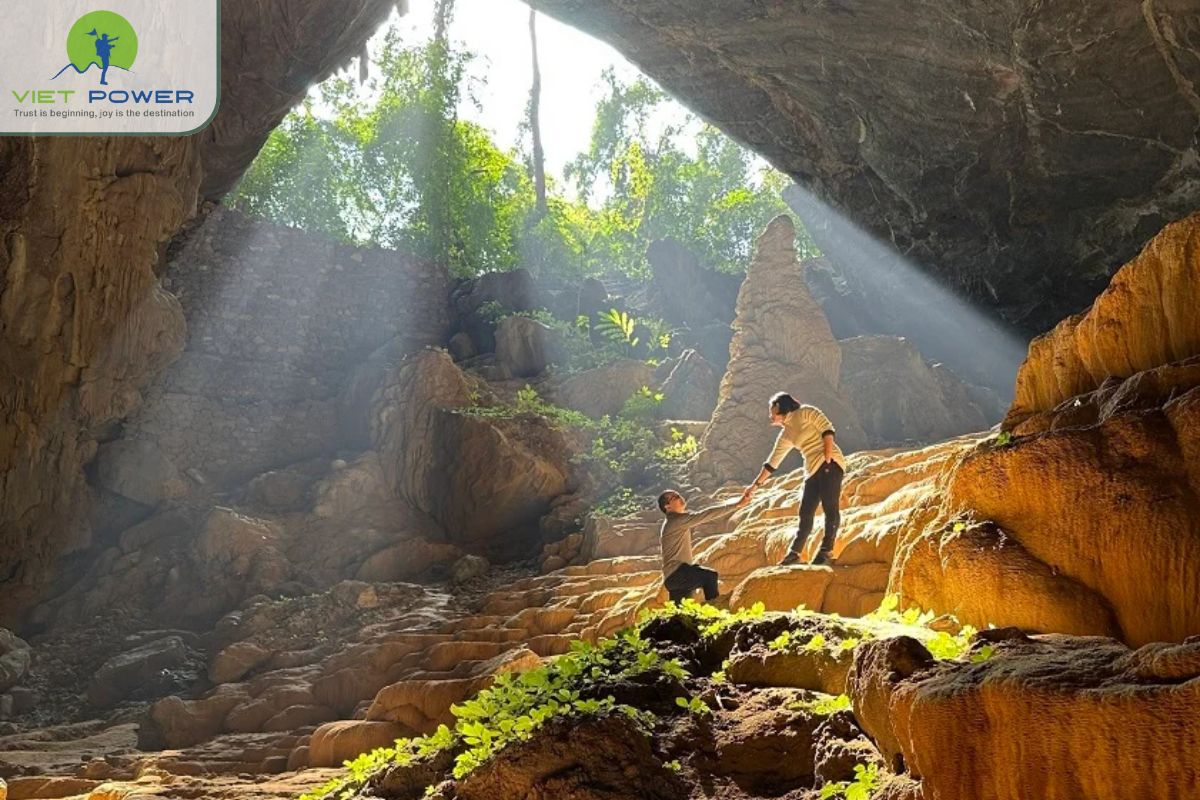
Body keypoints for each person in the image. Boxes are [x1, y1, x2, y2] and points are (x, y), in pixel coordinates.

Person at [744, 392, 846, 566]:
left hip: (830, 463)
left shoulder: (806, 412)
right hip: (812, 470)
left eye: (772, 410)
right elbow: (772, 462)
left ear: (780, 407)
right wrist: (754, 487)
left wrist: (828, 458)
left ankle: (826, 551)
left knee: (830, 507)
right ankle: (794, 553)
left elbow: (827, 430)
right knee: (805, 512)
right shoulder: (786, 434)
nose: (770, 415)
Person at [657, 489, 748, 603]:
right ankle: (715, 610)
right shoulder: (676, 520)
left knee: (681, 615)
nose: (679, 497)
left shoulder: (672, 521)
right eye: (674, 497)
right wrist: (736, 505)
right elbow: (705, 515)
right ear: (667, 507)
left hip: (672, 578)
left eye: (678, 494)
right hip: (678, 573)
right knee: (710, 577)